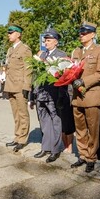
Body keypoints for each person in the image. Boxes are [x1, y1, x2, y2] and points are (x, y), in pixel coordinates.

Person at [70, 21, 100, 173]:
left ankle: (91, 158)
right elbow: (70, 70)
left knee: (92, 130)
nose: (81, 35)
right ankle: (83, 155)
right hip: (77, 97)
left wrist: (83, 81)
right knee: (80, 129)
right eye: (80, 32)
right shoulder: (76, 52)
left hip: (92, 96)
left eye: (85, 33)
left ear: (92, 34)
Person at [30, 29, 69, 163]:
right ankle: (45, 147)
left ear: (56, 42)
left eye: (49, 40)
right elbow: (35, 75)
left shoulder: (61, 55)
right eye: (45, 40)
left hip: (54, 94)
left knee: (55, 121)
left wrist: (61, 96)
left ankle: (55, 149)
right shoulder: (42, 55)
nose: (46, 43)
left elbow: (64, 76)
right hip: (41, 93)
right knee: (44, 121)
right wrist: (32, 94)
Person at [4, 24, 33, 152]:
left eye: (11, 33)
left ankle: (22, 139)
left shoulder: (25, 49)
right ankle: (17, 136)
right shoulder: (10, 50)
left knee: (22, 114)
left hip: (20, 86)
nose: (8, 35)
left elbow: (28, 69)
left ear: (18, 34)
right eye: (9, 33)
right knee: (16, 114)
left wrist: (27, 86)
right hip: (10, 85)